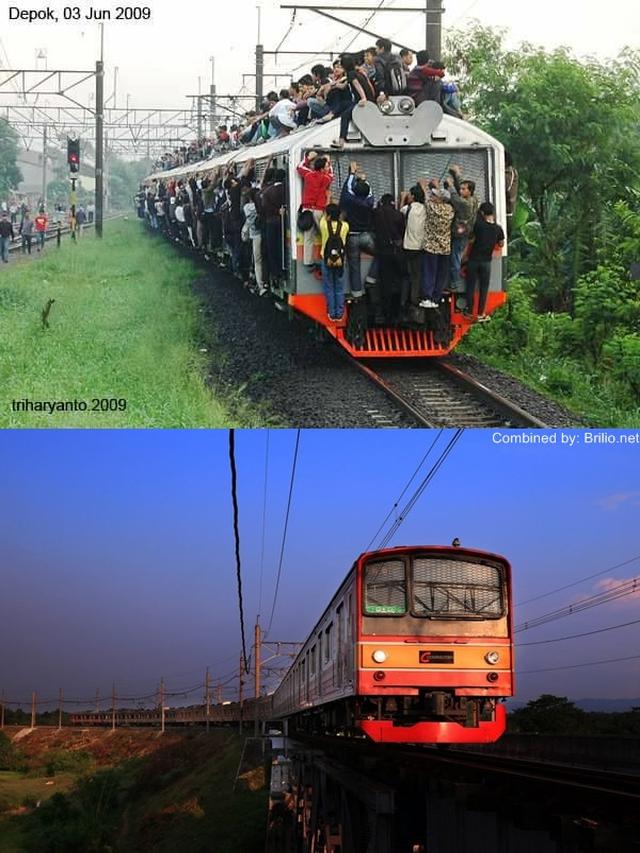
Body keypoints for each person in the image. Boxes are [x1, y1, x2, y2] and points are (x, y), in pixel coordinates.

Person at [339, 160, 375, 299]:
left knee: (354, 266)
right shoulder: (369, 202)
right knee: (382, 252)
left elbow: (346, 188)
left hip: (351, 237)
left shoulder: (349, 199)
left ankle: (356, 293)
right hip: (366, 236)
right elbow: (369, 191)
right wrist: (364, 180)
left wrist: (352, 173)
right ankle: (371, 278)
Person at [465, 201, 505, 322]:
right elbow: (501, 243)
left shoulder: (478, 225)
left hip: (473, 260)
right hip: (486, 262)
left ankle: (469, 311)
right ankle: (481, 313)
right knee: (484, 288)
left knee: (470, 286)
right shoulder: (498, 229)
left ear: (482, 213)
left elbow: (470, 238)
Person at [419, 180, 454, 308]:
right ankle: (436, 298)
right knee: (441, 274)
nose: (432, 197)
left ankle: (427, 297)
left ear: (440, 199)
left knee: (429, 272)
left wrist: (424, 186)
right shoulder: (450, 210)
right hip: (445, 247)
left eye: (435, 196)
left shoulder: (432, 207)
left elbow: (425, 198)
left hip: (431, 247)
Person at [445, 165, 479, 293]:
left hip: (460, 236)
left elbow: (454, 197)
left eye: (464, 189)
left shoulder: (465, 203)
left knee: (455, 259)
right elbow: (462, 187)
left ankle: (454, 283)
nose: (461, 190)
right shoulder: (474, 199)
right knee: (456, 257)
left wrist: (450, 185)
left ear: (469, 191)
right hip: (466, 234)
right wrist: (457, 174)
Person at [331, 54, 376, 149]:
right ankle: (331, 114)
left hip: (362, 102)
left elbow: (357, 85)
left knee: (345, 116)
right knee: (343, 104)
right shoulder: (355, 73)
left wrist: (363, 98)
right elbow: (344, 86)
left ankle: (341, 141)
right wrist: (334, 85)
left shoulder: (351, 74)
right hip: (368, 101)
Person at [297, 152, 333, 268]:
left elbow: (299, 167)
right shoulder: (326, 178)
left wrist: (308, 158)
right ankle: (327, 257)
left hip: (307, 210)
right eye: (326, 166)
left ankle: (308, 261)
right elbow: (331, 174)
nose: (327, 168)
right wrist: (329, 160)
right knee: (326, 234)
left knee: (308, 237)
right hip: (319, 211)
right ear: (322, 169)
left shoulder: (308, 175)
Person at [374, 194, 405, 323]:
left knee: (384, 283)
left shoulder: (376, 213)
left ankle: (384, 312)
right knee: (400, 280)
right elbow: (403, 231)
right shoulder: (398, 215)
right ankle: (397, 312)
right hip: (397, 252)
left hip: (382, 252)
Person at [319, 203, 349, 321]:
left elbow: (322, 214)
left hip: (326, 259)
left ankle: (332, 313)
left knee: (329, 286)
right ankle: (340, 314)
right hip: (340, 261)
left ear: (329, 215)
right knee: (339, 287)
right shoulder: (345, 226)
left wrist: (327, 199)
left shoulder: (324, 225)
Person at [401, 184, 426, 307]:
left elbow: (399, 213)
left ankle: (403, 300)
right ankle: (414, 298)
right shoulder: (426, 209)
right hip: (420, 247)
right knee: (417, 275)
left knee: (406, 275)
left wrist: (402, 199)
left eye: (410, 195)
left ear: (413, 196)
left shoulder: (408, 208)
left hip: (407, 247)